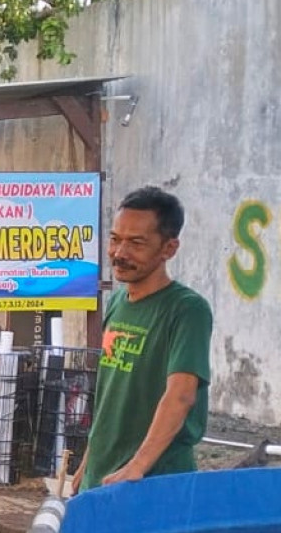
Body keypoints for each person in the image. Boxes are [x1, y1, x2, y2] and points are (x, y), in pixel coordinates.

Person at [74, 186, 212, 491]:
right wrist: (89, 462)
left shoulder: (187, 309)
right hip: (102, 475)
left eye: (136, 243)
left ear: (169, 248)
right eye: (115, 239)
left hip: (154, 482)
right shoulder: (117, 302)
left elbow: (181, 395)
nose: (120, 253)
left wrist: (137, 467)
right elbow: (111, 393)